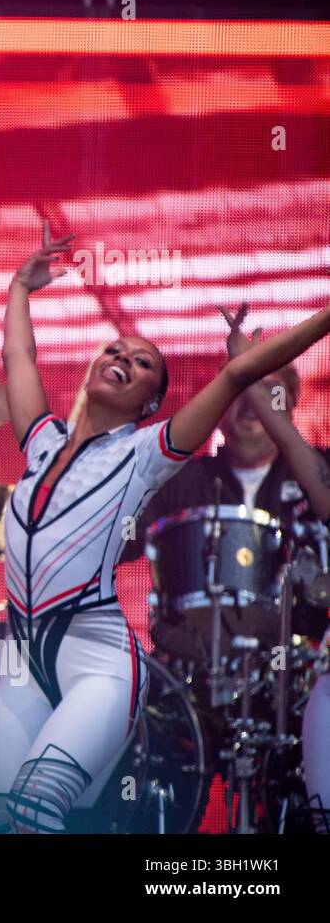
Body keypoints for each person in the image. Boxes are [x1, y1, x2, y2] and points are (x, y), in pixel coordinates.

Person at [0, 221, 330, 833]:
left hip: (98, 660)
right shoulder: (40, 442)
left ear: (150, 404)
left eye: (142, 363)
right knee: (4, 821)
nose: (123, 358)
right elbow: (17, 355)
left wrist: (316, 323)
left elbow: (235, 379)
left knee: (36, 806)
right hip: (23, 659)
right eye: (115, 351)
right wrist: (18, 286)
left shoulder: (145, 453)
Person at [121, 302, 330, 832]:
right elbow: (116, 540)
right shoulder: (182, 481)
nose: (250, 404)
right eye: (240, 387)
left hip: (291, 677)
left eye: (267, 387)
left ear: (288, 403)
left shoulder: (315, 476)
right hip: (188, 671)